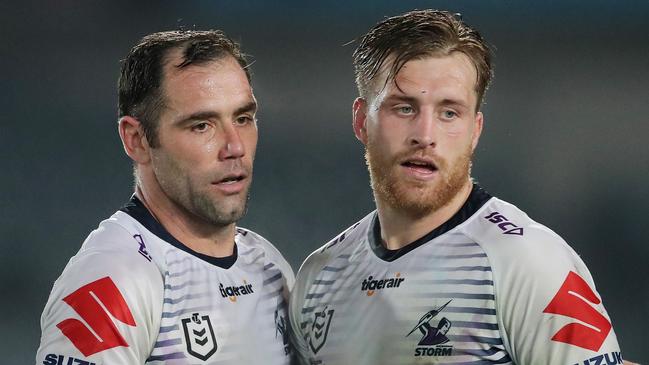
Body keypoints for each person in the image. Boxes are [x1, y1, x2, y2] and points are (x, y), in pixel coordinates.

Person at [289, 10, 628, 364]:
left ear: (475, 130)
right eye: (404, 108)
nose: (425, 135)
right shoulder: (320, 277)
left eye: (449, 113)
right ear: (361, 121)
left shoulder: (529, 262)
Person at [36, 30, 294, 364]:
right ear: (137, 140)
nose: (235, 148)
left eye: (243, 119)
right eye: (201, 125)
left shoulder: (268, 266)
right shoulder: (113, 280)